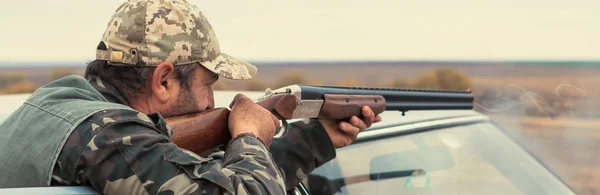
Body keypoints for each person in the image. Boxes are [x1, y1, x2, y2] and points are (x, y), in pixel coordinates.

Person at [0, 0, 382, 194]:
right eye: (208, 83)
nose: (210, 103)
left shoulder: (60, 104)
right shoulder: (109, 136)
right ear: (164, 80)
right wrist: (249, 137)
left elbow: (206, 182)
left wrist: (314, 139)